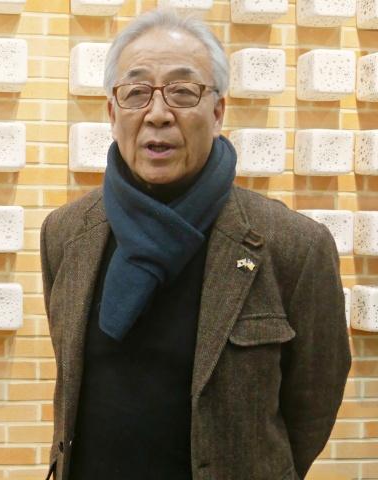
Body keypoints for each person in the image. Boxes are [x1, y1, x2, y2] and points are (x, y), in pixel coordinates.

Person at [40, 9, 351, 480]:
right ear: (112, 112)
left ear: (218, 111)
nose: (158, 114)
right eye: (136, 92)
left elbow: (313, 403)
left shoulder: (294, 246)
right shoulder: (65, 234)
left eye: (183, 92)